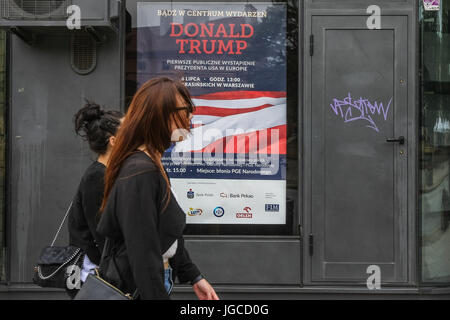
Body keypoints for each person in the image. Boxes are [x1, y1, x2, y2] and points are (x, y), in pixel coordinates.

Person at [96, 77, 219, 300]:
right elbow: (143, 253)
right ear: (159, 115)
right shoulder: (141, 171)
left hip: (152, 280)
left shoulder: (150, 163)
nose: (190, 117)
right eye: (185, 109)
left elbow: (163, 235)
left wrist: (193, 275)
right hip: (137, 287)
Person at [67, 101, 123, 299]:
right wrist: (117, 270)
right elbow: (100, 233)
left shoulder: (107, 174)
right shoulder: (97, 177)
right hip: (95, 279)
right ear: (114, 141)